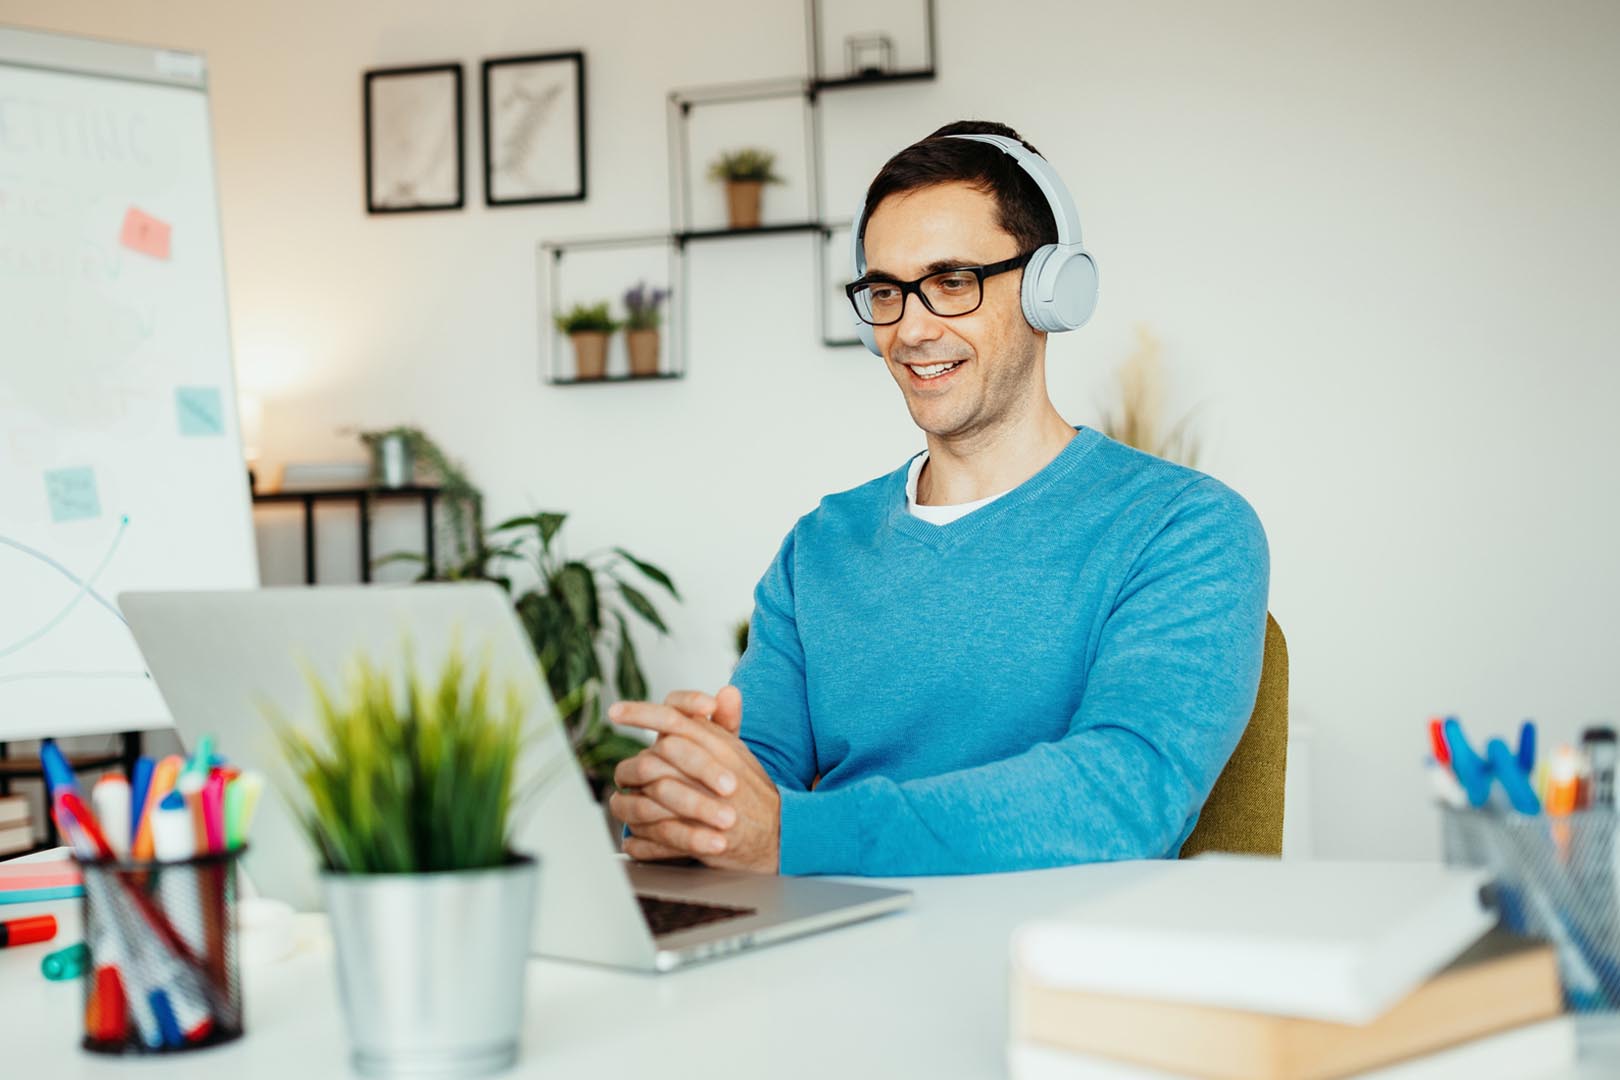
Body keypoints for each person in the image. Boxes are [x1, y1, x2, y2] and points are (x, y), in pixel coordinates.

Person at [606, 119, 1269, 876]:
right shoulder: (822, 545)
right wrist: (693, 795)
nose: (913, 329)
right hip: (829, 959)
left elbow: (1124, 796)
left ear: (1052, 289)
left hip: (1051, 971)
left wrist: (795, 835)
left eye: (952, 282)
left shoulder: (1183, 527)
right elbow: (754, 790)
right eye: (887, 291)